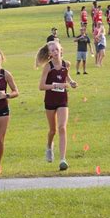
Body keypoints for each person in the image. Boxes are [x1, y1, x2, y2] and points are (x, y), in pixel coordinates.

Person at [35, 41, 77, 170]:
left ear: (61, 50)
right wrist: (55, 85)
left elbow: (66, 76)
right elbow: (41, 87)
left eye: (56, 49)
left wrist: (72, 82)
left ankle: (63, 159)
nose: (55, 52)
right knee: (52, 130)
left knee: (62, 127)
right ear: (49, 53)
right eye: (52, 50)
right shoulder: (48, 67)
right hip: (50, 101)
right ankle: (49, 147)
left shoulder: (66, 64)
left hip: (62, 100)